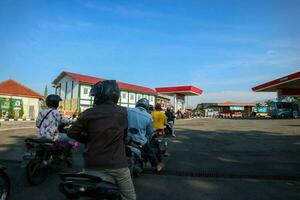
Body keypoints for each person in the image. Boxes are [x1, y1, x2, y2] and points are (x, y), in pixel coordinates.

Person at [67, 80, 136, 200]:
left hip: (92, 164)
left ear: (101, 95)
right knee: (129, 197)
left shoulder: (88, 113)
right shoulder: (123, 112)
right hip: (118, 165)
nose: (94, 99)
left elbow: (71, 132)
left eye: (95, 96)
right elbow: (124, 136)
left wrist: (88, 139)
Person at [127, 98, 164, 172]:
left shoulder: (128, 110)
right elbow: (149, 133)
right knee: (150, 151)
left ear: (137, 104)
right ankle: (157, 166)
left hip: (126, 139)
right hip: (140, 141)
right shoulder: (148, 116)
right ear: (147, 107)